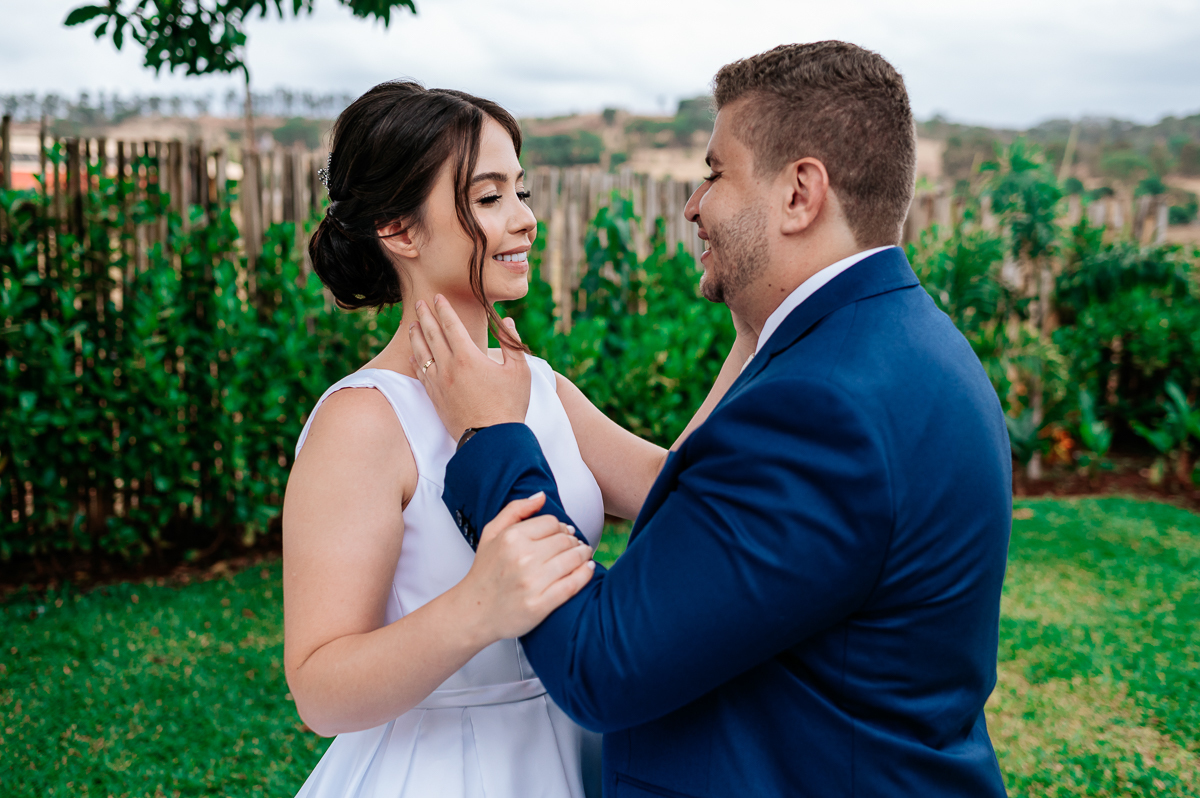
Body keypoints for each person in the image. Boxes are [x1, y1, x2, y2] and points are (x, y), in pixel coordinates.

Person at [410, 42, 1013, 797]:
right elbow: (700, 516)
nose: (693, 205)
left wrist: (491, 440)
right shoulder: (909, 344)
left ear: (800, 193)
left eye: (714, 174)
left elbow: (604, 665)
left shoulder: (822, 410)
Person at [282, 80, 749, 798]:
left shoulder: (538, 385)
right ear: (400, 230)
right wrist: (479, 607)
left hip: (579, 751)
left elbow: (676, 490)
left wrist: (750, 334)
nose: (526, 220)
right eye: (489, 198)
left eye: (521, 192)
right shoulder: (362, 420)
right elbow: (319, 688)